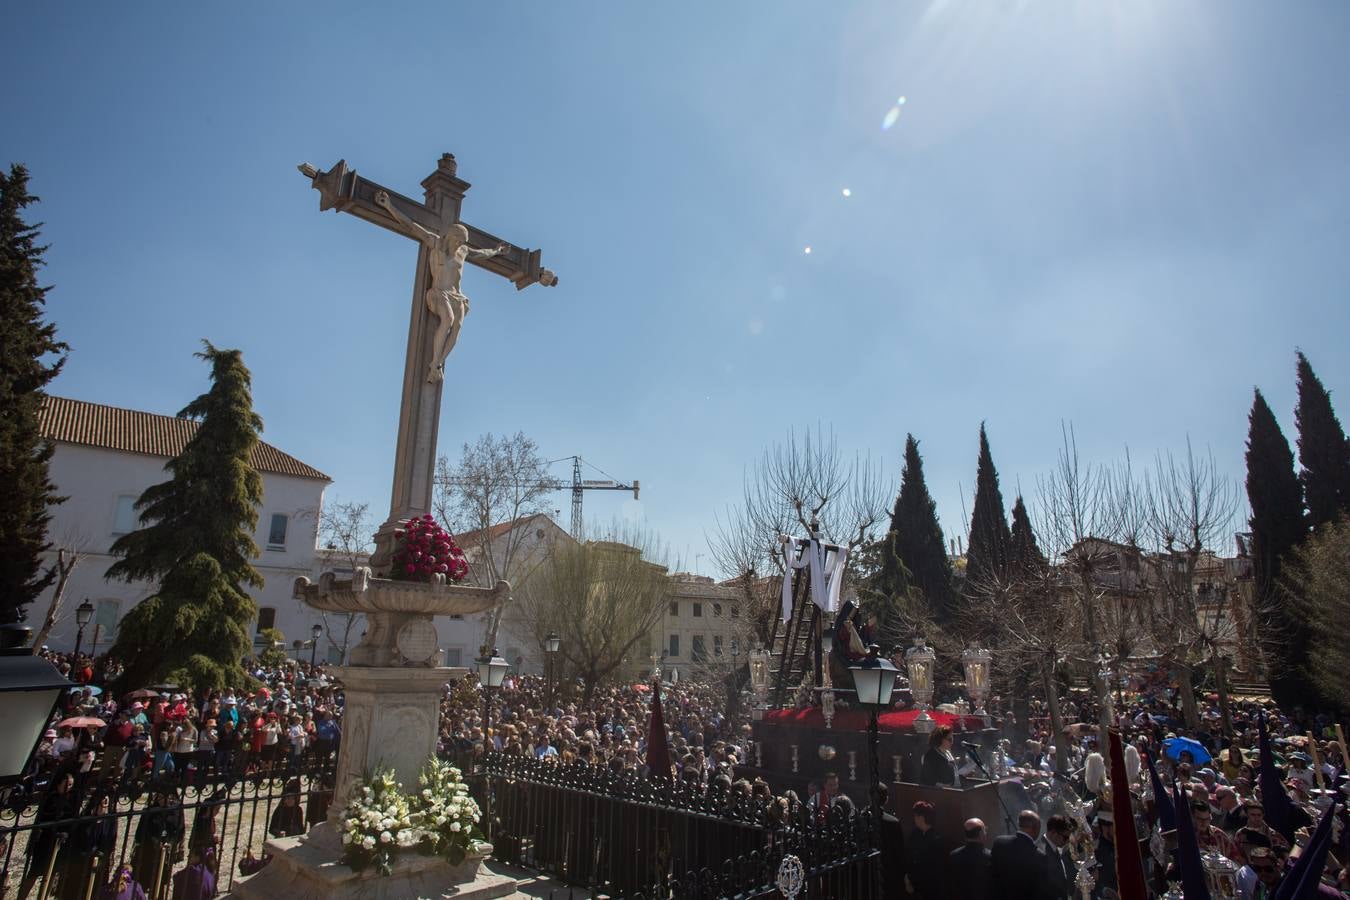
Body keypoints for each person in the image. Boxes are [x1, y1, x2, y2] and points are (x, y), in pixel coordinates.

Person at [373, 189, 511, 383]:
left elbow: (482, 254)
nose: (459, 245)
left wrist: (496, 251)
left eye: (462, 242)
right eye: (457, 240)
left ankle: (436, 364)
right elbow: (410, 225)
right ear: (450, 236)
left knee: (457, 326)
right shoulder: (435, 243)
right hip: (439, 293)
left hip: (457, 295)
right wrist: (389, 206)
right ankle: (435, 364)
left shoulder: (463, 251)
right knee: (448, 320)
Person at [988, 809, 1048, 900]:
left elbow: (991, 873)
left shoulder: (999, 842)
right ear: (1035, 828)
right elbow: (1039, 890)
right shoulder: (1038, 856)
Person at [906, 801, 943, 898]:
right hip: (914, 886)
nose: (914, 819)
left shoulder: (936, 839)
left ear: (921, 817)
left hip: (929, 889)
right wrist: (907, 879)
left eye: (915, 816)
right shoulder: (914, 834)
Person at [946, 817, 990, 899]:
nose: (986, 832)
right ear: (981, 834)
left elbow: (949, 885)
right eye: (985, 829)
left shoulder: (953, 856)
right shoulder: (989, 857)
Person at [1038, 814, 1076, 900]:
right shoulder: (1042, 852)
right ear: (1053, 833)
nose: (1067, 841)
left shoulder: (1054, 848)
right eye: (1065, 837)